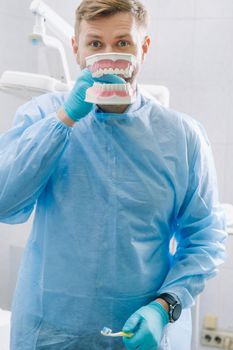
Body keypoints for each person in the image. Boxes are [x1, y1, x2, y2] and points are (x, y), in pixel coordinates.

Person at [0, 0, 226, 349]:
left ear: (143, 48)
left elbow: (204, 238)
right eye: (95, 44)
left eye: (123, 43)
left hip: (137, 332)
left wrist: (165, 307)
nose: (109, 56)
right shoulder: (40, 116)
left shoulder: (182, 137)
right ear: (76, 49)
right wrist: (63, 121)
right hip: (48, 332)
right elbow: (4, 201)